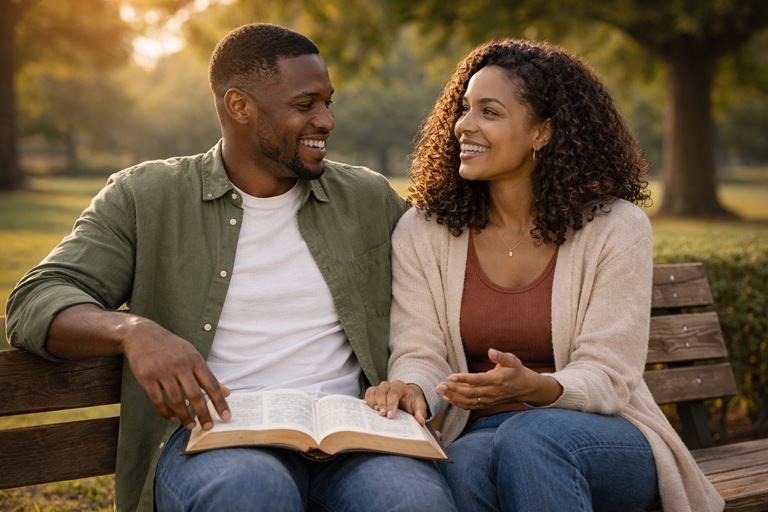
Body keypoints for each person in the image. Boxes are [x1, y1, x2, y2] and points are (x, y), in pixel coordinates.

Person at [5, 23, 457, 512]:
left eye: (329, 102)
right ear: (239, 107)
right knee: (251, 493)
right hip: (215, 439)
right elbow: (35, 299)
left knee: (413, 499)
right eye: (305, 105)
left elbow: (440, 274)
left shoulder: (366, 198)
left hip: (355, 437)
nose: (326, 120)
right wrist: (134, 332)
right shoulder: (146, 196)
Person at [365, 38, 724, 511]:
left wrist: (536, 388)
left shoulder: (614, 228)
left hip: (605, 435)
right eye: (464, 108)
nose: (464, 126)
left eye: (489, 112)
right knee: (464, 467)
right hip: (486, 433)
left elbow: (610, 376)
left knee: (531, 439)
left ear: (543, 132)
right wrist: (412, 387)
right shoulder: (425, 230)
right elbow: (420, 348)